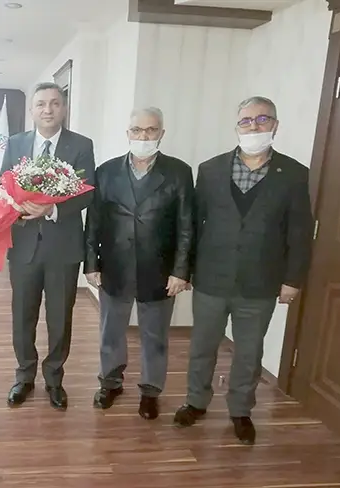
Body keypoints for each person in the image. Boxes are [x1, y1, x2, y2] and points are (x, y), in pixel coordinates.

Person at [174, 96, 314, 444]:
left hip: (261, 282)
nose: (254, 126)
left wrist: (292, 280)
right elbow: (193, 224)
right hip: (211, 277)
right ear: (237, 126)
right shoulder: (210, 169)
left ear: (275, 125)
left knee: (249, 353)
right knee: (202, 346)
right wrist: (185, 270)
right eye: (246, 120)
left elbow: (299, 231)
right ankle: (195, 401)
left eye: (262, 119)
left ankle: (240, 410)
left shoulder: (294, 174)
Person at [84, 107, 194, 419]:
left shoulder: (179, 172)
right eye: (137, 130)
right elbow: (93, 222)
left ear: (162, 133)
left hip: (159, 269)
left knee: (155, 337)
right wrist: (91, 263)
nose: (143, 136)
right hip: (114, 266)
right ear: (128, 133)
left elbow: (187, 226)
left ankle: (150, 391)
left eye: (151, 130)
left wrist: (181, 271)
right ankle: (110, 382)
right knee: (110, 332)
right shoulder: (106, 171)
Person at [0, 82, 95, 410]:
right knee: (22, 315)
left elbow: (87, 192)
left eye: (55, 103)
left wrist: (52, 209)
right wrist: (17, 205)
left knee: (60, 317)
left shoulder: (81, 145)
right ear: (32, 110)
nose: (48, 109)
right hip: (23, 245)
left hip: (63, 248)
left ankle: (54, 378)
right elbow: (3, 185)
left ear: (64, 108)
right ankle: (24, 376)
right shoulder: (16, 143)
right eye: (41, 104)